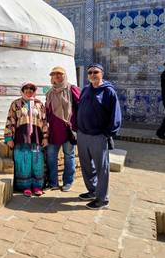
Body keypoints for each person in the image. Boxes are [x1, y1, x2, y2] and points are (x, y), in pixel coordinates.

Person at [77, 64, 121, 210]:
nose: (92, 74)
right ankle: (92, 191)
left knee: (102, 168)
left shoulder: (108, 92)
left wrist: (107, 133)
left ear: (102, 73)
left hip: (98, 135)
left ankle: (102, 198)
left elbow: (115, 115)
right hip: (83, 134)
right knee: (86, 166)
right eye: (90, 72)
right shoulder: (85, 89)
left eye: (96, 72)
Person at [4, 82, 48, 197]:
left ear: (35, 91)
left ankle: (37, 186)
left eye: (31, 89)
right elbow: (10, 120)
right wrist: (9, 138)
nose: (29, 91)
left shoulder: (39, 105)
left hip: (37, 138)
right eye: (26, 89)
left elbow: (44, 122)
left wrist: (45, 137)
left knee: (37, 161)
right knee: (24, 161)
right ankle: (25, 186)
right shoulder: (16, 104)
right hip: (21, 138)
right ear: (22, 90)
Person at [45, 66, 80, 192]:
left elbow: (81, 106)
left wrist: (79, 126)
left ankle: (68, 182)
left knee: (69, 156)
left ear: (64, 75)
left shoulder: (72, 89)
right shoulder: (50, 93)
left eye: (59, 74)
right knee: (51, 156)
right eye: (54, 74)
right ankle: (53, 182)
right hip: (54, 130)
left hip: (68, 130)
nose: (57, 76)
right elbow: (47, 112)